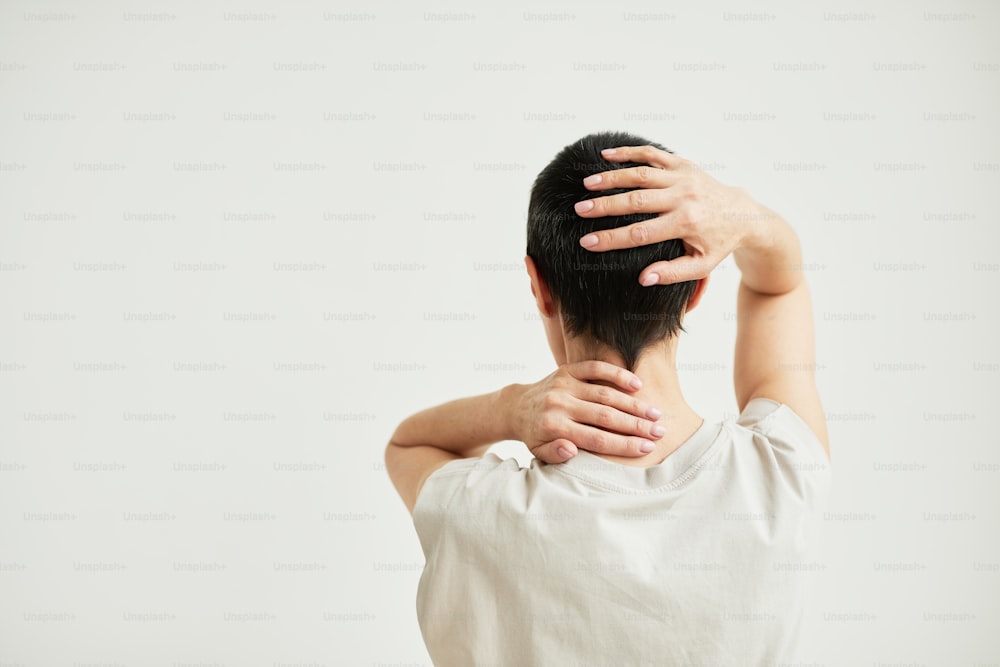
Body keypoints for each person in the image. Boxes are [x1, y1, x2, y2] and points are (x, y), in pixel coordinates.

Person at [385, 131, 832, 665]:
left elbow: (407, 444)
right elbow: (778, 285)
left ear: (538, 286)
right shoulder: (784, 471)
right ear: (697, 287)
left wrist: (510, 406)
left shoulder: (480, 511)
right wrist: (742, 213)